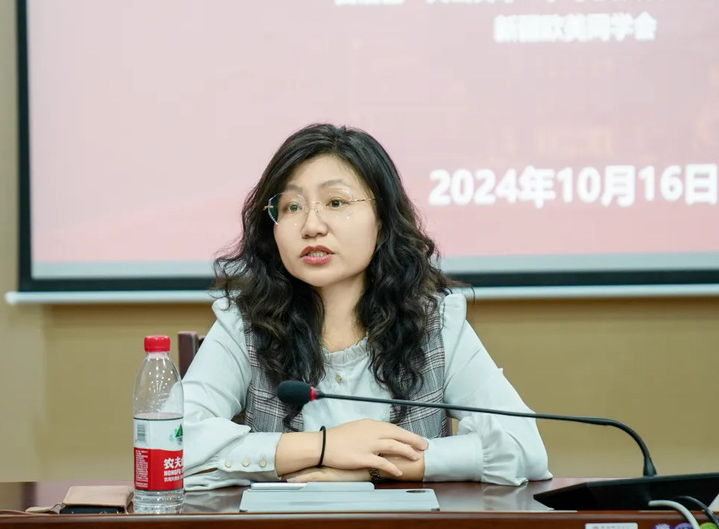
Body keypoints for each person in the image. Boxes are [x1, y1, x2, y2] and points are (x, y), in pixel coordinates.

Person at [180, 123, 551, 490]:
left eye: (336, 203)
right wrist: (325, 447)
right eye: (292, 206)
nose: (312, 226)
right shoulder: (244, 324)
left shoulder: (436, 323)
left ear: (383, 221)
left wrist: (380, 467)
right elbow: (172, 444)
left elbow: (524, 447)